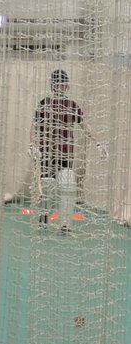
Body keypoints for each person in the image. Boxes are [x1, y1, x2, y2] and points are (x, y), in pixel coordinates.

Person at [30, 69, 105, 230]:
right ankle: (44, 218)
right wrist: (33, 145)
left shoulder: (72, 105)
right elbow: (34, 127)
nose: (61, 87)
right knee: (48, 188)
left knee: (67, 188)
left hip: (65, 154)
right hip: (46, 153)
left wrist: (98, 143)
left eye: (64, 84)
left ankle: (65, 224)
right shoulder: (44, 104)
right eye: (59, 84)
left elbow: (85, 125)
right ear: (53, 85)